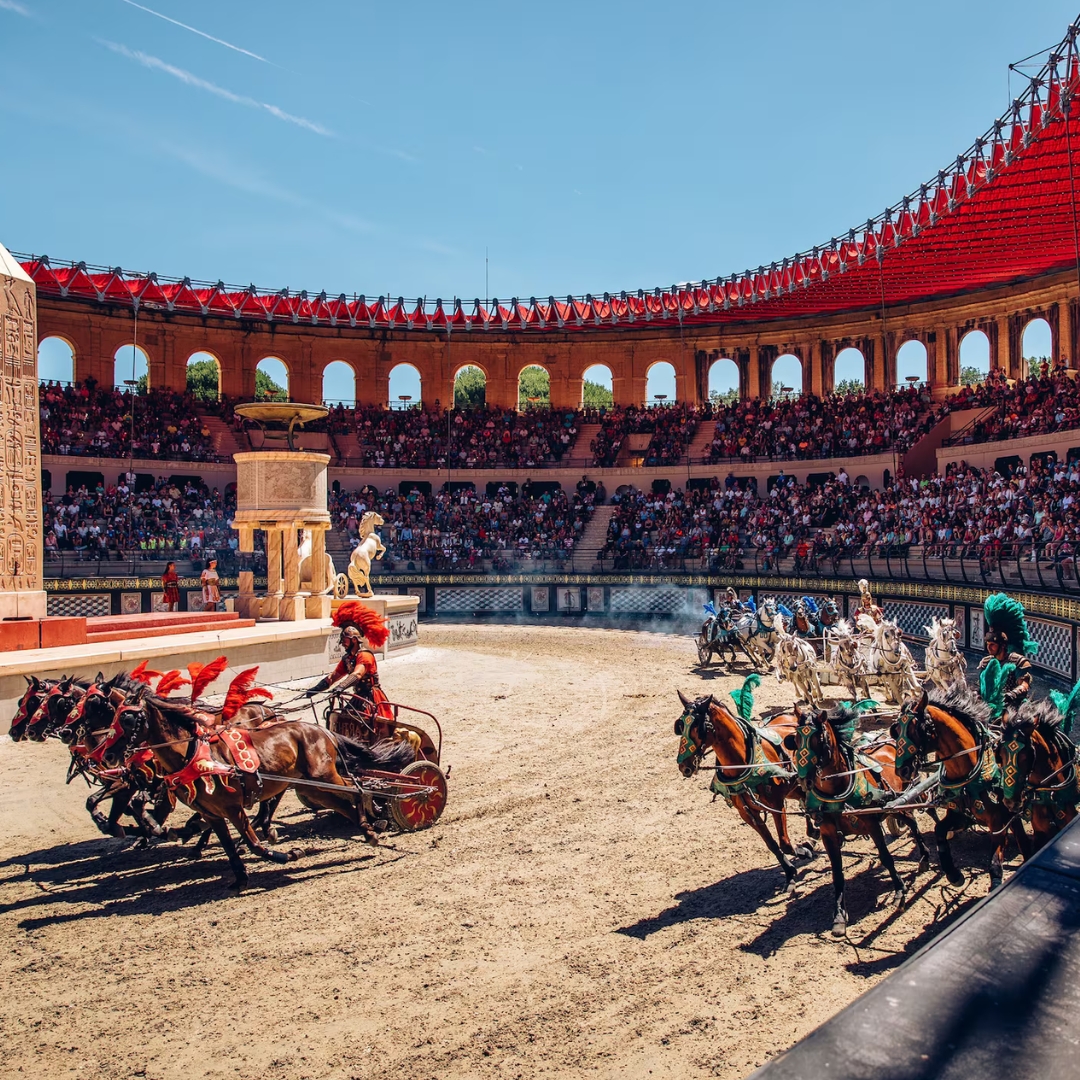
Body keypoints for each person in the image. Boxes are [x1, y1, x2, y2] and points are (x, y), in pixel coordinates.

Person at [305, 601, 394, 741]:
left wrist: (341, 687)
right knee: (343, 719)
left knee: (366, 724)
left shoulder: (365, 655)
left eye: (345, 640)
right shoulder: (348, 658)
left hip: (371, 697)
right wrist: (316, 689)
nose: (342, 643)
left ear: (353, 640)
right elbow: (333, 676)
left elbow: (357, 674)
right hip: (358, 697)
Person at [979, 592, 1036, 710]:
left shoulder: (1017, 662)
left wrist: (1010, 695)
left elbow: (1024, 685)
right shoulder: (986, 663)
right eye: (988, 644)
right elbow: (982, 687)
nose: (989, 648)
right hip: (990, 707)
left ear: (1003, 645)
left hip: (1014, 707)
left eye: (993, 645)